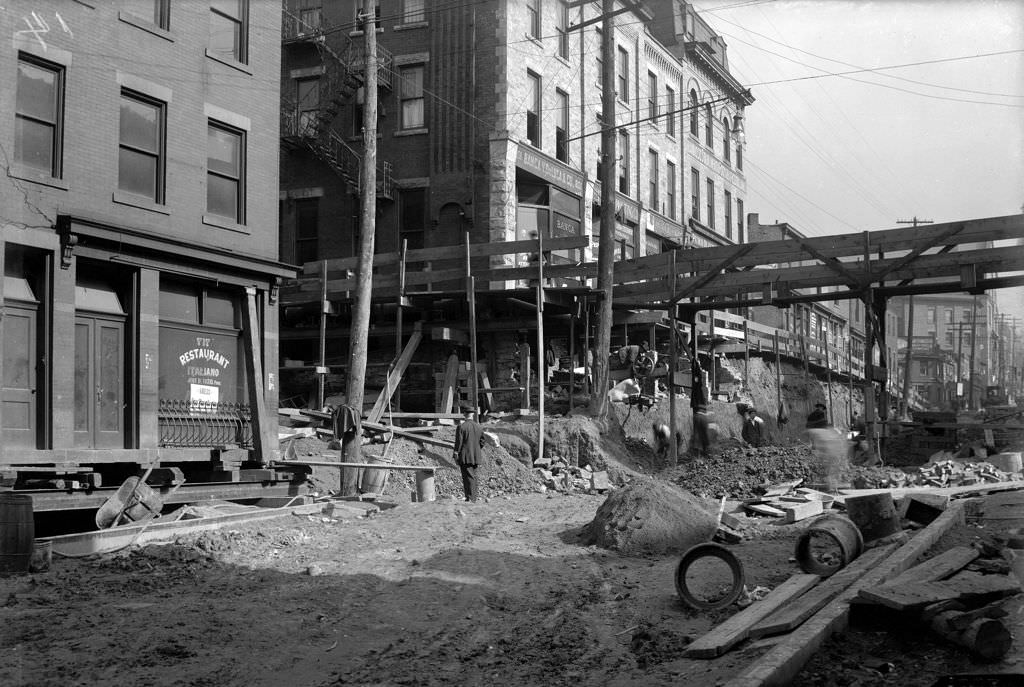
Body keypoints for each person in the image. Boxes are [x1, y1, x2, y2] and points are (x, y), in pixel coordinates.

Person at [453, 411, 486, 502]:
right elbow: (483, 441)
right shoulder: (479, 427)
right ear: (473, 415)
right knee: (473, 476)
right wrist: (476, 450)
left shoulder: (461, 427)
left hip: (465, 456)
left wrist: (456, 454)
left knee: (468, 477)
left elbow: (459, 443)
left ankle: (471, 498)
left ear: (464, 415)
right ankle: (472, 497)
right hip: (475, 456)